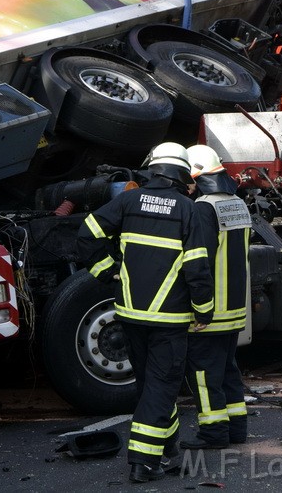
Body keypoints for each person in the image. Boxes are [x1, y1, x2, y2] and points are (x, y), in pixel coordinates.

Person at [77, 142, 215, 483]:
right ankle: (142, 461)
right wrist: (204, 311)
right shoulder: (189, 210)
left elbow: (87, 234)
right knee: (161, 387)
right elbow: (197, 267)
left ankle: (168, 449)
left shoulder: (127, 200)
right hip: (169, 320)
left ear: (153, 170)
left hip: (130, 315)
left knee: (152, 386)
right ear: (182, 174)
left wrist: (109, 272)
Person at [180, 144, 252, 451]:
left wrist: (200, 310)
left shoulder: (203, 208)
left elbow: (200, 261)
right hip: (235, 308)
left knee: (203, 375)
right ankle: (236, 428)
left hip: (212, 310)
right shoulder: (237, 203)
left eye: (188, 178)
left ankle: (213, 433)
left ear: (196, 175)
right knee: (227, 371)